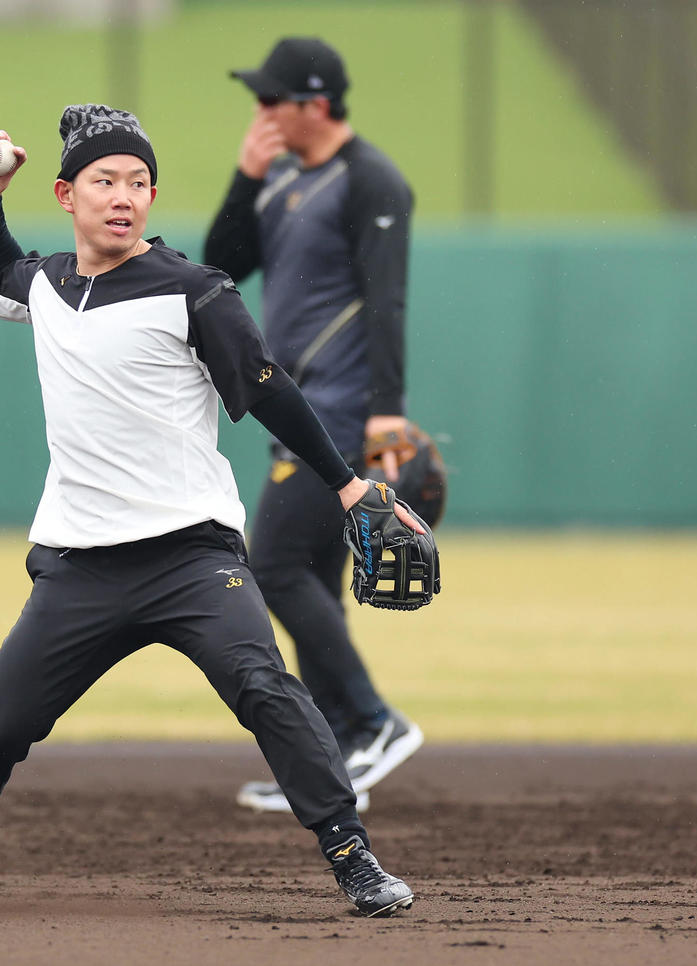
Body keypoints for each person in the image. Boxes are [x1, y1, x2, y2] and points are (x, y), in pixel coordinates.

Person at [0, 105, 417, 917]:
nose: (124, 196)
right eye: (105, 181)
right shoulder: (49, 285)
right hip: (79, 566)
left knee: (265, 687)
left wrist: (346, 485)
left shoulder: (194, 291)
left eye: (139, 182)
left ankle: (353, 856)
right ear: (66, 194)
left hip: (192, 559)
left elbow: (268, 389)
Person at [203, 37, 423, 815]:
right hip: (300, 401)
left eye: (273, 99)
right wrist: (246, 175)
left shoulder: (371, 178)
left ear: (317, 103)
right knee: (312, 580)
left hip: (344, 406)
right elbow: (221, 263)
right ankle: (336, 761)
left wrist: (388, 412)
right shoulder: (283, 177)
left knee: (273, 565)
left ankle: (374, 720)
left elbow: (387, 299)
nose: (261, 110)